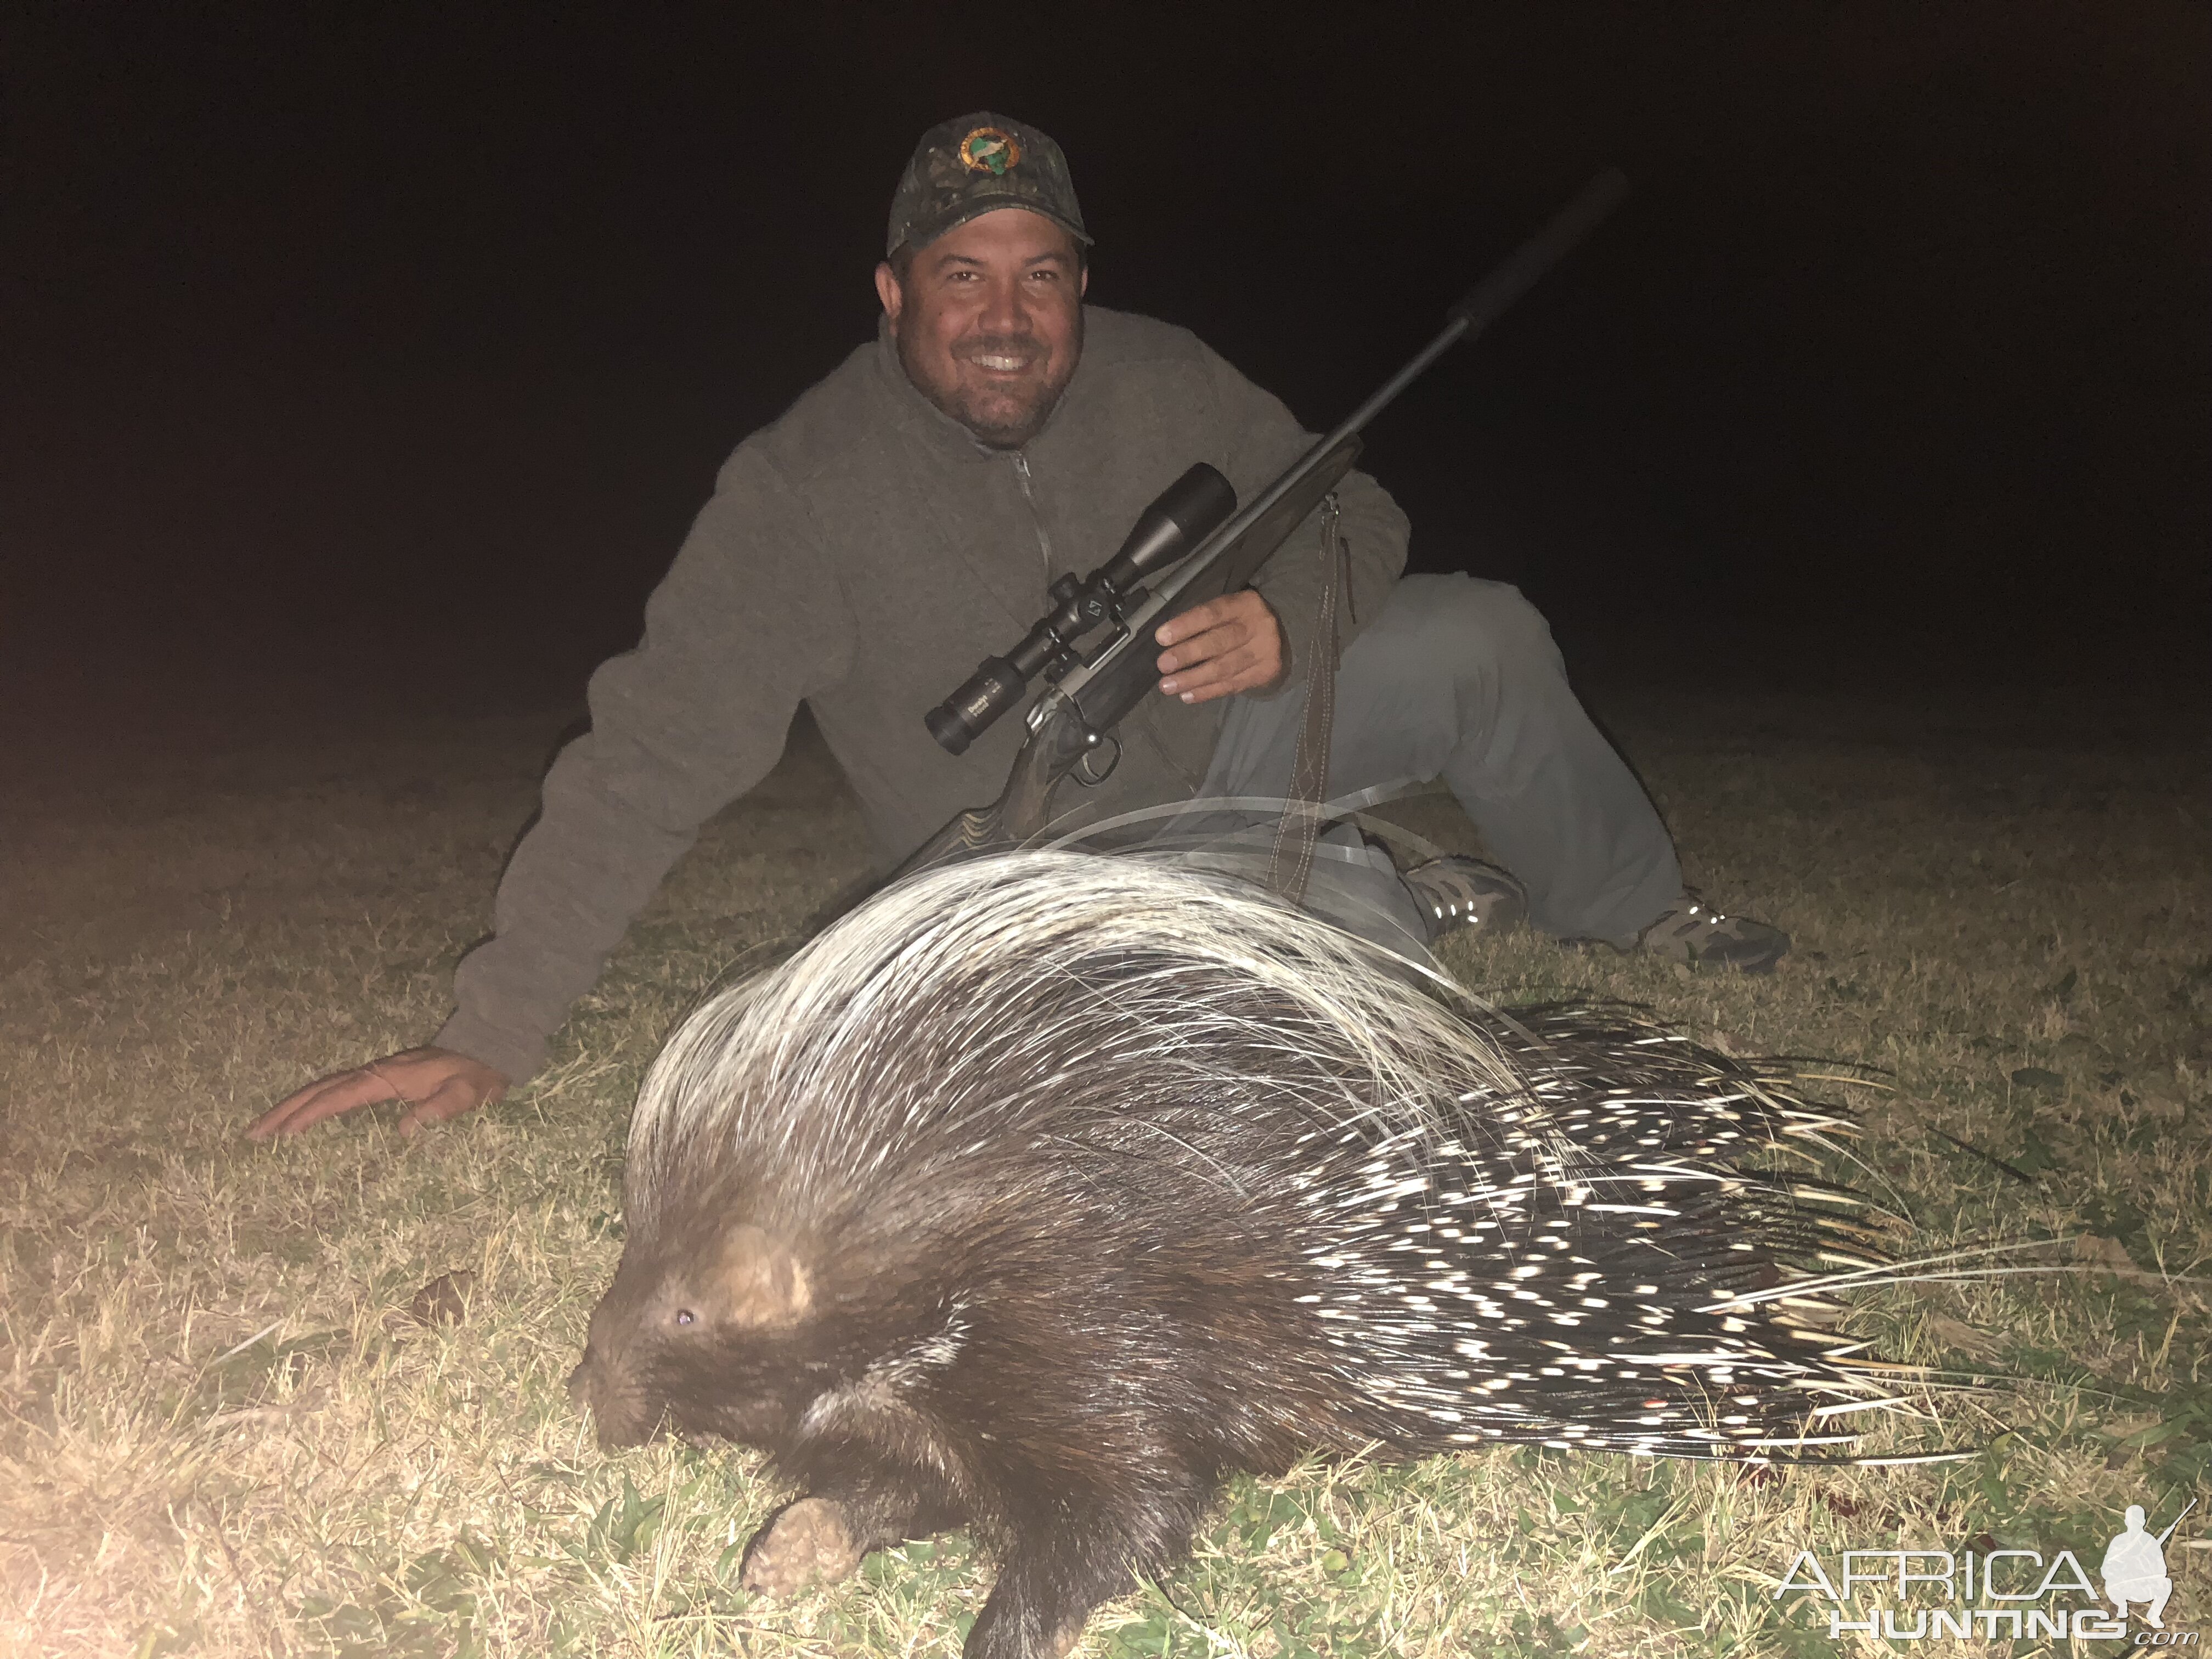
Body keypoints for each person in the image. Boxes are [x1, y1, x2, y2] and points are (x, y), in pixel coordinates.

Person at [248, 111, 1787, 1141]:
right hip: (1056, 845)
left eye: (1041, 275)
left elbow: (1354, 506)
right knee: (1354, 1011)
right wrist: (494, 1028)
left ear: (1082, 283)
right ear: (891, 291)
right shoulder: (799, 484)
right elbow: (651, 749)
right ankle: (1381, 888)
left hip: (1225, 711)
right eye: (964, 276)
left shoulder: (1165, 372)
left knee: (1482, 633)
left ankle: (1633, 908)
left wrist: (1285, 622)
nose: (1007, 316)